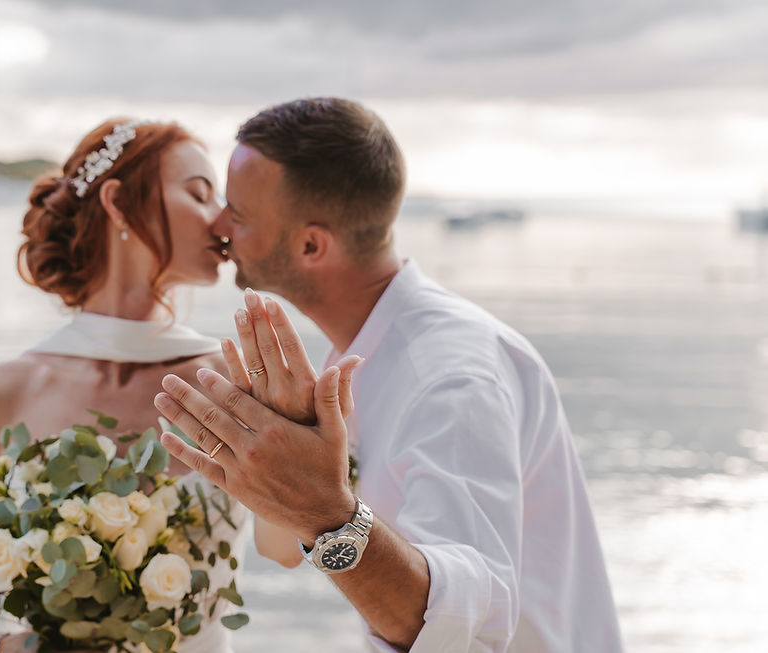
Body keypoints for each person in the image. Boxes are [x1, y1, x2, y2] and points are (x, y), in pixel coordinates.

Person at [153, 98, 625, 652]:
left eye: (238, 212)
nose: (218, 224)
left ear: (311, 245)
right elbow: (281, 550)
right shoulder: (359, 352)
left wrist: (325, 513)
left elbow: (464, 628)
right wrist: (288, 459)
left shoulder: (449, 377)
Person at [0, 118, 247, 653]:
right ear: (119, 203)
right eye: (198, 193)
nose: (221, 217)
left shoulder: (233, 381)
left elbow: (288, 547)